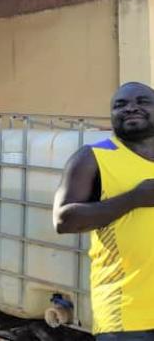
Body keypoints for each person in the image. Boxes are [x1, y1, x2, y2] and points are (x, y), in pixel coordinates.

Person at [53, 82, 154, 340]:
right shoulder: (92, 157)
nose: (131, 108)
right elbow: (63, 220)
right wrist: (134, 198)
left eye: (142, 101)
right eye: (120, 105)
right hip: (127, 314)